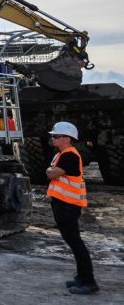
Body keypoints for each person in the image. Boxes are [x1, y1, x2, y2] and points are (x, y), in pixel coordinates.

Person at [46, 121, 99, 295]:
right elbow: (51, 172)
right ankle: (81, 277)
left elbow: (52, 173)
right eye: (53, 136)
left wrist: (50, 171)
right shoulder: (62, 154)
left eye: (56, 136)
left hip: (67, 206)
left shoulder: (69, 155)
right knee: (74, 242)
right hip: (63, 205)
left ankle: (89, 281)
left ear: (67, 138)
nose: (53, 138)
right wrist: (51, 171)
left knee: (76, 243)